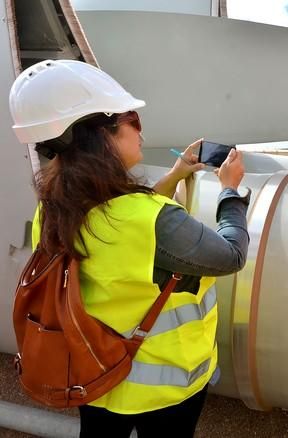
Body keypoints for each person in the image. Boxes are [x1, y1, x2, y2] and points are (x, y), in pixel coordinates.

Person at [9, 59, 250, 437]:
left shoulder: (55, 207)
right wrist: (231, 191)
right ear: (101, 136)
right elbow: (231, 254)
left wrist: (176, 174)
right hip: (165, 389)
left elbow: (123, 225)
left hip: (94, 373)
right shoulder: (151, 219)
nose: (140, 129)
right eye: (131, 120)